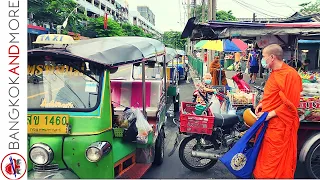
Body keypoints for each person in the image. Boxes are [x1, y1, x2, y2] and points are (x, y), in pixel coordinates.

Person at [254, 44, 303, 179]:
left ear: (272, 57)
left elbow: (291, 104)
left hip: (280, 126)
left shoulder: (290, 75)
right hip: (268, 125)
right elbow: (273, 95)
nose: (262, 60)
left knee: (274, 161)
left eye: (263, 57)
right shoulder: (274, 73)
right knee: (264, 159)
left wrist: (271, 114)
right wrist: (262, 104)